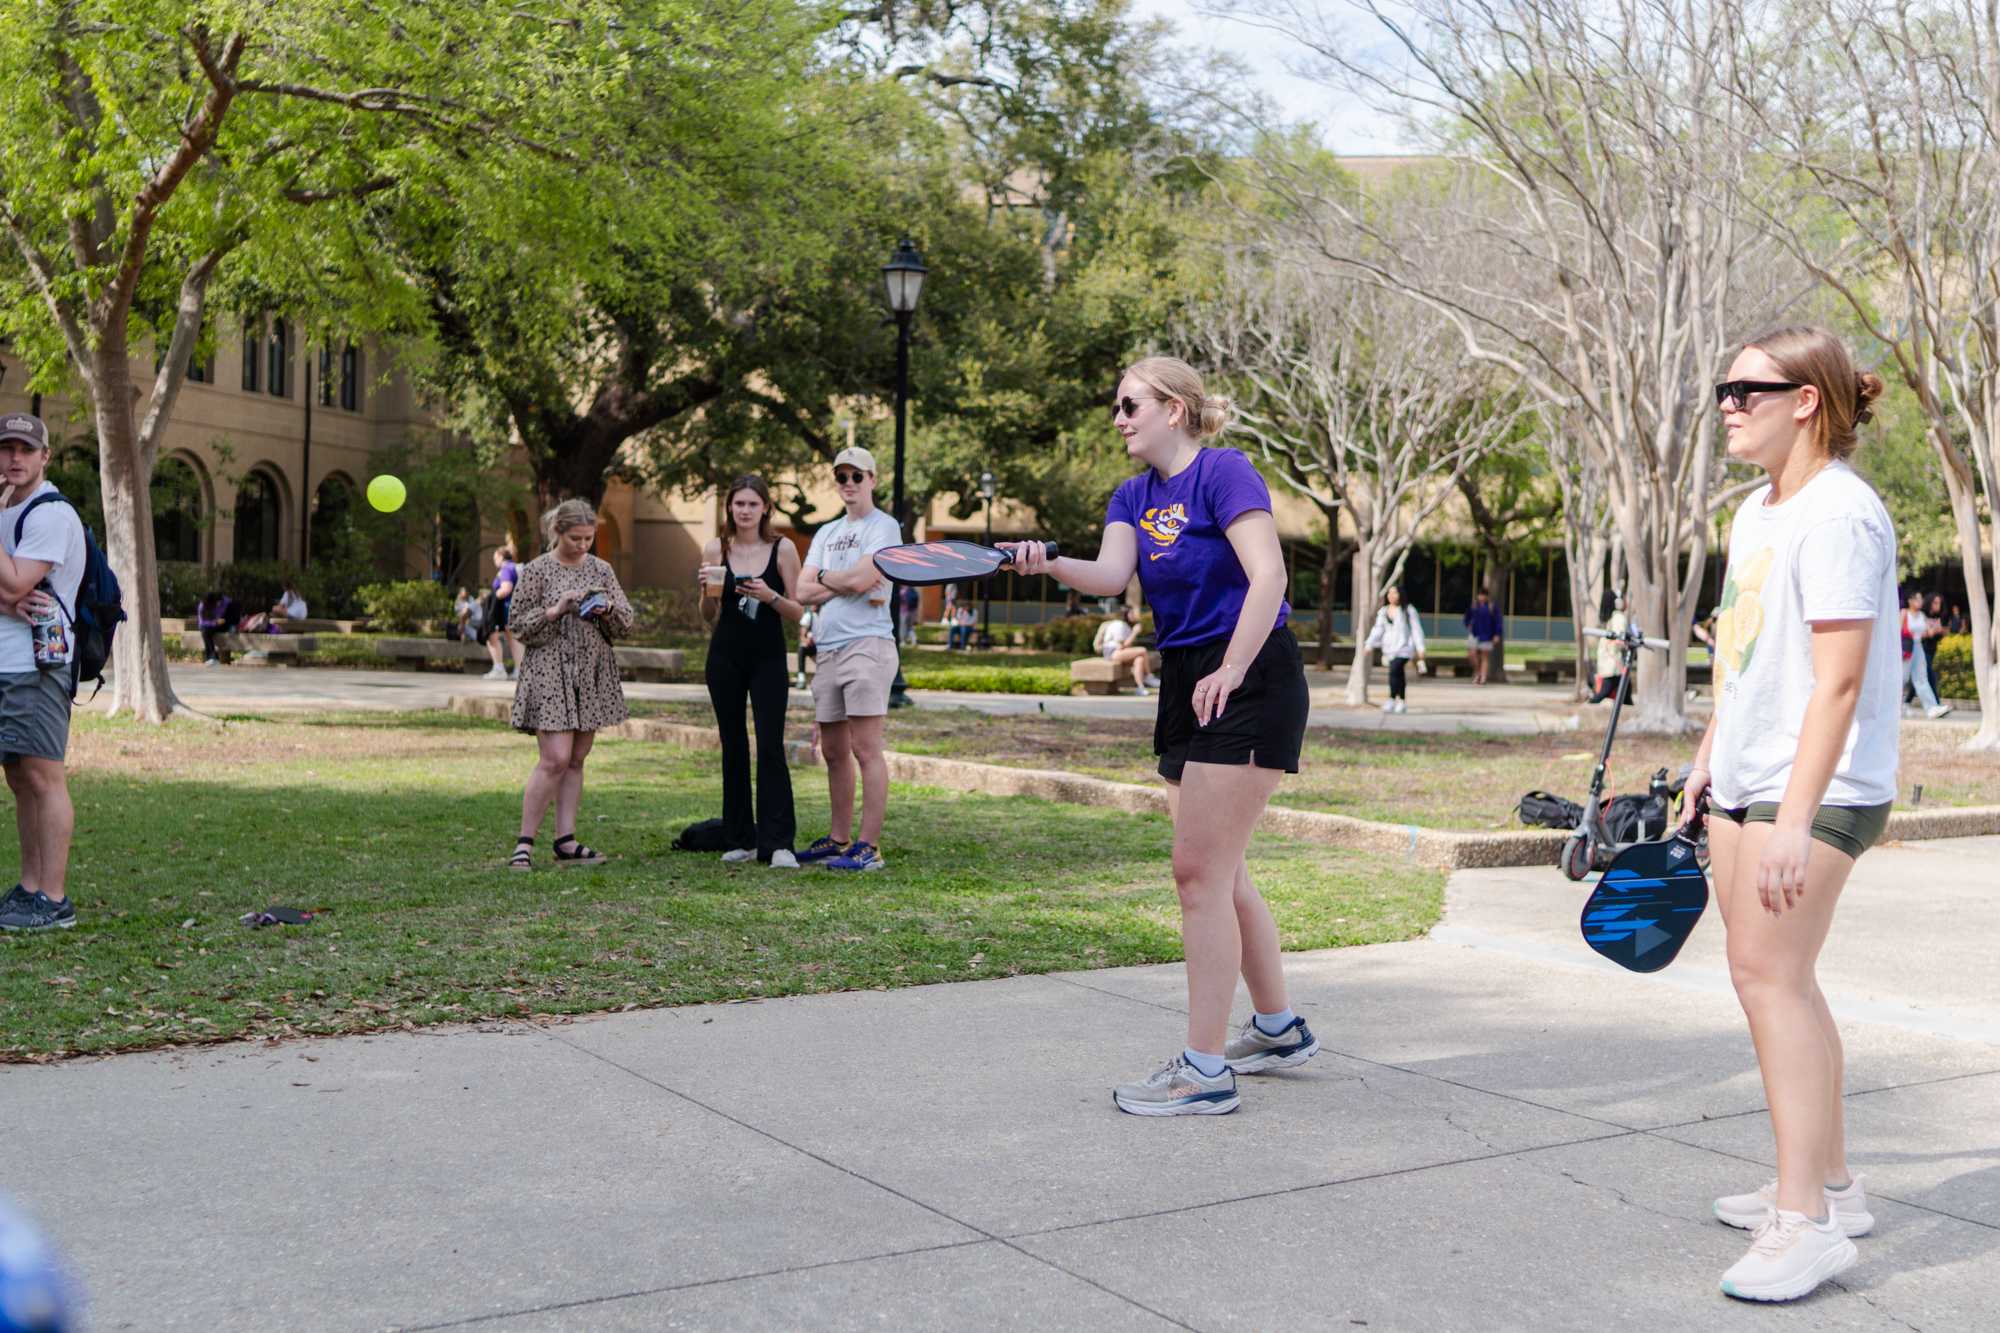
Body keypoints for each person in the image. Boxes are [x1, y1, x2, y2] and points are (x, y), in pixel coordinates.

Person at [1003, 355, 1318, 1116]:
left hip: (1247, 669)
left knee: (1196, 874)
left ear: (1174, 408)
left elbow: (1269, 577)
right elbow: (1112, 575)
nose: (1118, 417)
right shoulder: (1132, 494)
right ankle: (1276, 1028)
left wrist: (1235, 666)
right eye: (1116, 405)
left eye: (1129, 404)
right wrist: (1048, 564)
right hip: (1185, 675)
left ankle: (1203, 1072)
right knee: (1221, 871)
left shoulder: (1225, 472)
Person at [1682, 326, 1900, 1302]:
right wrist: (1702, 759)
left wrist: (1790, 816)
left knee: (1765, 978)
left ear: (1804, 401)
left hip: (1814, 786)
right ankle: (1832, 1185)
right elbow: (1740, 653)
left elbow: (1840, 683)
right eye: (1720, 390)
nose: (1725, 404)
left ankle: (1802, 1223)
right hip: (1742, 773)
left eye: (1745, 389)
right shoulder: (1752, 513)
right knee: (1781, 980)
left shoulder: (1838, 515)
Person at [506, 501, 632, 870]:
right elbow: (518, 624)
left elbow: (624, 624)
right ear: (557, 532)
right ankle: (524, 843)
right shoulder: (538, 570)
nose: (582, 545)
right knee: (555, 759)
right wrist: (555, 610)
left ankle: (565, 839)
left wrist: (606, 608)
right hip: (550, 670)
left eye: (588, 538)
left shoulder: (601, 569)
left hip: (591, 671)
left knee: (576, 759)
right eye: (575, 538)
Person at [794, 447, 902, 872]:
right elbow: (802, 591)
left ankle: (868, 846)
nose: (849, 483)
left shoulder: (884, 527)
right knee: (833, 750)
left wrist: (825, 578)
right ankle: (839, 839)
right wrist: (839, 581)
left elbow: (865, 579)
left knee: (865, 748)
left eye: (857, 476)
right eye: (842, 476)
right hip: (829, 647)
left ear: (872, 479)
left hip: (868, 645)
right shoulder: (825, 532)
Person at [0, 413, 85, 933]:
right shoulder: (8, 510)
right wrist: (8, 597)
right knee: (19, 778)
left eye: (25, 450)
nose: (14, 458)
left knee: (43, 777)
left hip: (37, 665)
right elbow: (9, 591)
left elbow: (16, 582)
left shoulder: (50, 513)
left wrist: (9, 595)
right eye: (6, 448)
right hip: (8, 663)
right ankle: (29, 888)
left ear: (45, 457)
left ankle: (53, 899)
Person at [698, 476, 803, 869]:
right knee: (734, 745)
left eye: (752, 504)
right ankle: (740, 837)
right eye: (738, 504)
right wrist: (706, 591)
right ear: (730, 508)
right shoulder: (715, 548)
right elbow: (708, 616)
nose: (744, 511)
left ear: (765, 509)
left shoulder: (783, 548)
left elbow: (799, 611)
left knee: (771, 746)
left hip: (769, 658)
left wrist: (769, 596)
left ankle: (778, 844)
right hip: (725, 656)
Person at [1363, 586, 1426, 713]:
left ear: (1400, 594)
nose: (1391, 596)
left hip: (1404, 648)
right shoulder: (1383, 611)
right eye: (1389, 593)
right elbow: (1378, 630)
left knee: (1394, 671)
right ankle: (1401, 701)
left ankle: (1391, 699)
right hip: (1389, 649)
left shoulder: (1408, 610)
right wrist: (1369, 644)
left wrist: (1420, 648)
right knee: (1399, 674)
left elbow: (1416, 630)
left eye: (1394, 593)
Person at [1898, 591, 1951, 719]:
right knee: (1902, 679)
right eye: (1918, 599)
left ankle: (1932, 708)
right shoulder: (1904, 613)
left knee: (1921, 678)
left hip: (1918, 647)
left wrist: (1935, 630)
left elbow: (1926, 633)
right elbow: (1897, 632)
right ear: (1910, 601)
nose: (1921, 602)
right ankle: (1893, 707)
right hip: (1906, 648)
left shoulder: (1921, 615)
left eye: (1921, 599)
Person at [484, 543, 522, 681]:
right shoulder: (514, 567)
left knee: (498, 637)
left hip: (506, 608)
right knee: (513, 639)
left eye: (495, 558)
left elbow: (506, 588)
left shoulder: (505, 569)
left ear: (500, 556)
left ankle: (500, 669)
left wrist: (493, 595)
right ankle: (519, 669)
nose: (495, 562)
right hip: (515, 607)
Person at [1094, 605, 1151, 696]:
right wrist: (1134, 632)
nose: (1134, 615)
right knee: (1142, 650)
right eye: (1131, 613)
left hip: (1119, 652)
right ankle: (1148, 676)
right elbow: (1122, 646)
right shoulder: (1119, 625)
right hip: (1112, 653)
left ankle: (1140, 687)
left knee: (1139, 659)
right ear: (1125, 614)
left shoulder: (1126, 626)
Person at [1590, 592, 1631, 703]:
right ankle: (1590, 704)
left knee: (1625, 691)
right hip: (1614, 661)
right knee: (1607, 690)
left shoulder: (1611, 619)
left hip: (1609, 659)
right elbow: (1619, 639)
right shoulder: (1618, 617)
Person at [1463, 588, 1503, 685]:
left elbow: (1498, 621)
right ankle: (1477, 672)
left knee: (1484, 656)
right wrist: (1467, 624)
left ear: (1487, 596)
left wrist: (1497, 634)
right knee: (1471, 654)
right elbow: (1467, 616)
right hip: (1475, 633)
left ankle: (1483, 677)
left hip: (1487, 634)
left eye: (1483, 595)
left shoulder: (1492, 607)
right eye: (1480, 595)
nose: (1481, 597)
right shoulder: (1474, 606)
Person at [196, 590, 239, 665]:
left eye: (219, 602)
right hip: (209, 625)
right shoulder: (202, 606)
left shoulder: (226, 602)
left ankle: (212, 657)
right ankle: (212, 657)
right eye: (216, 603)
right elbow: (202, 623)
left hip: (224, 624)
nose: (218, 604)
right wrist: (214, 623)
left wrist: (227, 622)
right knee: (205, 632)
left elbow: (233, 615)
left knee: (206, 633)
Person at [1923, 592, 1948, 702]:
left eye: (1939, 603)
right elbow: (1926, 633)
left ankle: (1907, 701)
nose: (1938, 605)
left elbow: (1944, 632)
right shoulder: (1922, 615)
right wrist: (1934, 631)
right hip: (1922, 648)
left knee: (1921, 676)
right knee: (1929, 673)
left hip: (1932, 648)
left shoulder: (1939, 616)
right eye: (1935, 603)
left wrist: (1939, 631)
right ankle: (1937, 702)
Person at [898, 582, 920, 646]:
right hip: (911, 611)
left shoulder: (902, 591)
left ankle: (902, 641)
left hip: (903, 612)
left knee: (903, 627)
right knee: (910, 627)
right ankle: (913, 640)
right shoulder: (912, 590)